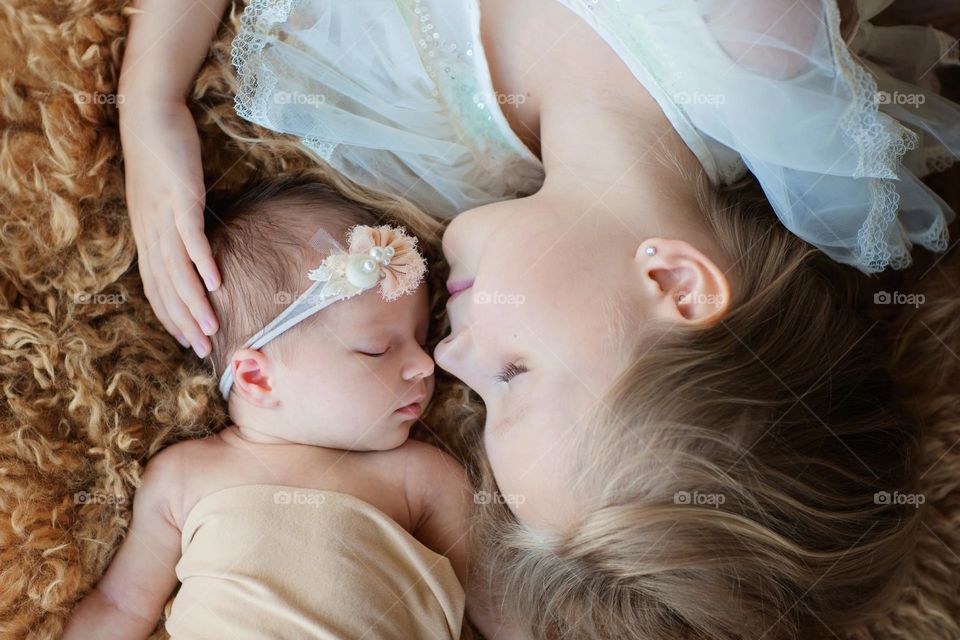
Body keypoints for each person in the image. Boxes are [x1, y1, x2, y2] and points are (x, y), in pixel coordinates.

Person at [116, 0, 959, 637]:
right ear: (675, 282)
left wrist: (150, 100)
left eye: (477, 401)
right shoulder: (748, 46)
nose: (447, 360)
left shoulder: (416, 150)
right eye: (513, 375)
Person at [63, 179, 494, 639]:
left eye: (422, 340)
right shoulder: (184, 475)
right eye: (376, 349)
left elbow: (498, 612)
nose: (424, 365)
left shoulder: (423, 478)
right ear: (257, 378)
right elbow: (121, 604)